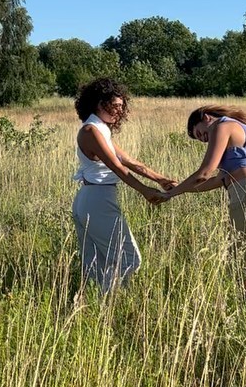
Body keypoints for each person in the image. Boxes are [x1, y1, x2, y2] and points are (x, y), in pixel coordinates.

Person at [158, 105, 246, 293]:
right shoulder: (244, 131)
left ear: (206, 117)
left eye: (200, 133)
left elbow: (205, 172)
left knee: (243, 256)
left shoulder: (222, 126)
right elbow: (218, 180)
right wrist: (180, 189)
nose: (203, 139)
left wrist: (170, 194)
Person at [72, 78, 175, 294]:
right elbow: (117, 167)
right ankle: (119, 300)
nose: (120, 111)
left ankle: (103, 304)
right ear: (99, 104)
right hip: (97, 201)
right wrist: (145, 190)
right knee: (129, 258)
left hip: (94, 199)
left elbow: (129, 161)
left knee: (98, 264)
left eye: (121, 106)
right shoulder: (91, 131)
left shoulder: (100, 129)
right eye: (115, 106)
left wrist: (160, 179)